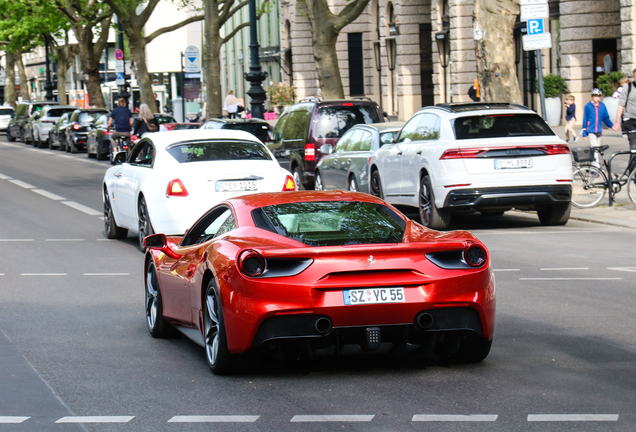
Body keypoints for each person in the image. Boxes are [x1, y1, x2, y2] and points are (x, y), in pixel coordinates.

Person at [582, 88, 613, 164]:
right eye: (595, 96)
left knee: (597, 150)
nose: (597, 98)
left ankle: (593, 166)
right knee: (595, 149)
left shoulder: (602, 106)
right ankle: (596, 168)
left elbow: (606, 118)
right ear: (592, 96)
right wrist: (584, 131)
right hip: (591, 131)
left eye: (599, 96)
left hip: (599, 131)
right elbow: (585, 118)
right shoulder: (588, 106)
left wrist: (612, 126)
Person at [612, 68, 636, 151]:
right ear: (633, 77)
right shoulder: (627, 88)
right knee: (633, 144)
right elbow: (621, 105)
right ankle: (633, 162)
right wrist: (617, 121)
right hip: (629, 119)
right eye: (635, 76)